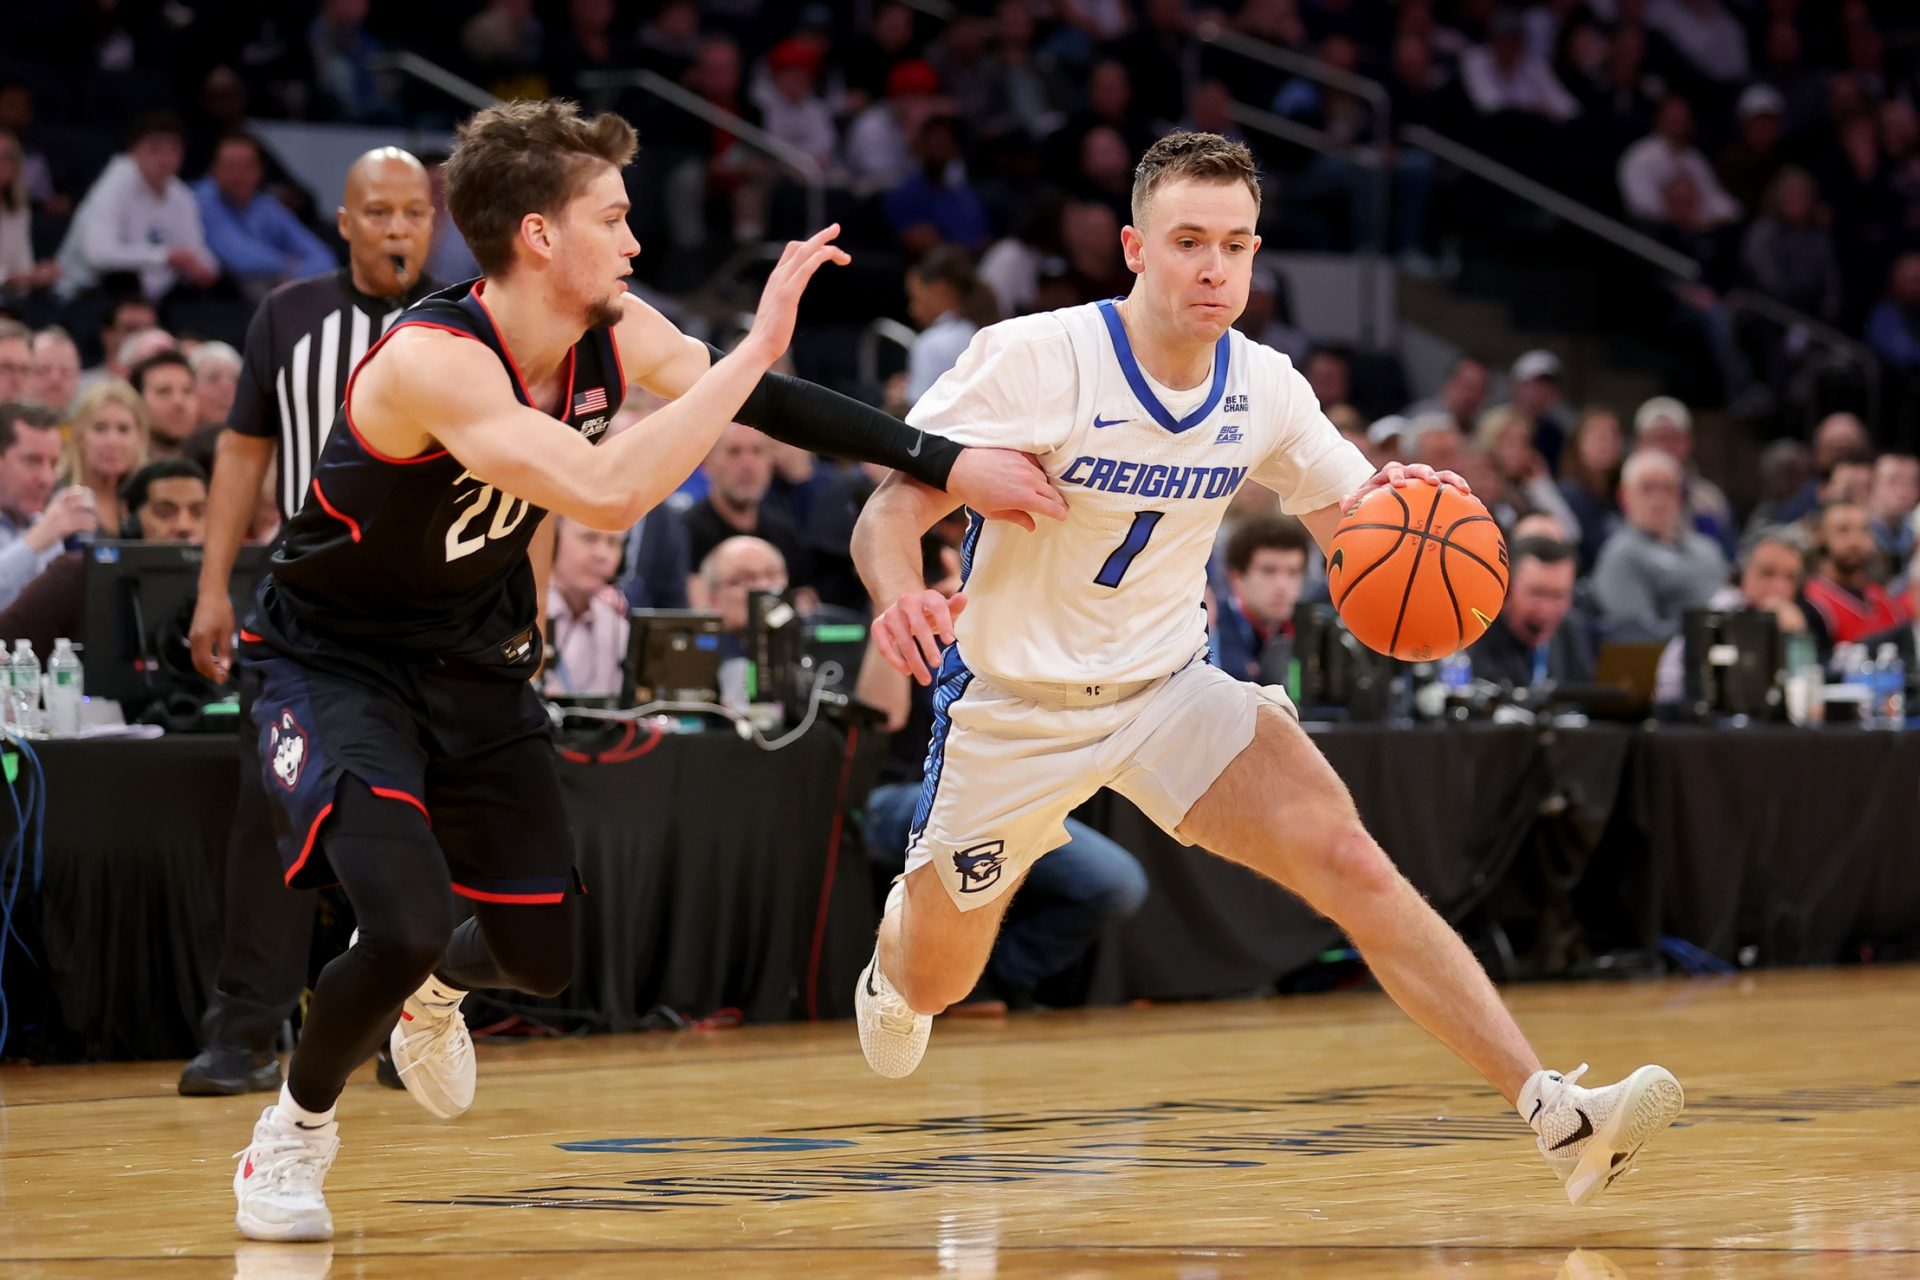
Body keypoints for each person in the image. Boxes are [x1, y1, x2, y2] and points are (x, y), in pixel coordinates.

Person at [223, 98, 1062, 1243]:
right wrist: (753, 348)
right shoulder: (429, 360)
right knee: (407, 913)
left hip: (473, 657)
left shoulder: (614, 327)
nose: (632, 241)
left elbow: (763, 400)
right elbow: (607, 491)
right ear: (536, 235)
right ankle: (292, 1132)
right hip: (334, 662)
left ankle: (438, 994)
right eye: (611, 218)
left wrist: (945, 458)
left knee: (540, 952)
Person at [847, 130, 1681, 1209]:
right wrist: (897, 592)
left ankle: (1559, 1115)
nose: (1214, 268)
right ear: (1134, 247)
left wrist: (1409, 521)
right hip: (1014, 705)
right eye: (1189, 241)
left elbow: (1361, 529)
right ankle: (895, 959)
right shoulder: (1037, 356)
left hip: (1166, 689)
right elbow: (890, 509)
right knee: (936, 984)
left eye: (1235, 245)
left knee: (1354, 859)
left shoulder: (1267, 387)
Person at [181, 147, 442, 1101]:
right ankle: (244, 1031)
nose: (397, 229)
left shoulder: (465, 322)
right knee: (270, 820)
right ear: (343, 220)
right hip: (303, 618)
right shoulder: (287, 316)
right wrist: (215, 582)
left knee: (414, 827)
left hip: (426, 619)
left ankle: (396, 1032)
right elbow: (243, 452)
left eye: (413, 212)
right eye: (377, 212)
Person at [856, 536, 1147, 1010]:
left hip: (997, 784)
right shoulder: (897, 610)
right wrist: (906, 616)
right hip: (898, 794)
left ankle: (992, 979)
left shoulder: (1016, 612)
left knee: (1116, 883)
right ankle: (930, 972)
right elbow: (880, 715)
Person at [0, 459, 207, 654]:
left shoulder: (221, 580)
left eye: (198, 512)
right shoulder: (78, 573)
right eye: (164, 513)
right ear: (129, 517)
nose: (184, 526)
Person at [1653, 528, 1809, 703]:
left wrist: (1797, 638)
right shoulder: (1718, 613)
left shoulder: (1798, 617)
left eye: (1790, 578)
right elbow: (1670, 681)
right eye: (1767, 573)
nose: (1779, 587)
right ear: (1743, 572)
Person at [1590, 449, 1729, 642]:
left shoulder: (1708, 550)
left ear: (1680, 496)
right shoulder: (1621, 555)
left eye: (1667, 489)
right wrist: (1705, 633)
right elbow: (1636, 637)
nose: (1659, 501)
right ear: (1624, 496)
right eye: (1647, 489)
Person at [0, 401, 94, 611]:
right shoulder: (46, 531)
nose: (46, 478)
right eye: (32, 461)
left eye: (53, 464)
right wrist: (35, 541)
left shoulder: (47, 527)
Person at [1469, 536, 1594, 690]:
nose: (1546, 609)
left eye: (1558, 596)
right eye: (1537, 593)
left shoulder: (1571, 631)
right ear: (1507, 589)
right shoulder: (1475, 636)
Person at [1211, 512, 1310, 681]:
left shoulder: (1311, 631)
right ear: (1236, 577)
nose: (1282, 586)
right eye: (1268, 571)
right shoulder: (1210, 632)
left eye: (1293, 572)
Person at [1802, 499, 1912, 646]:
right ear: (1821, 538)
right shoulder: (1812, 601)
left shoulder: (1880, 597)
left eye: (1863, 530)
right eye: (1843, 530)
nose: (1855, 540)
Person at [542, 515, 628, 697]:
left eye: (612, 543)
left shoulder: (617, 628)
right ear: (553, 540)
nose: (603, 555)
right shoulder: (523, 615)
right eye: (589, 538)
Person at [58, 379, 148, 536]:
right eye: (100, 428)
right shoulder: (57, 498)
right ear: (80, 436)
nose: (112, 441)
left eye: (123, 429)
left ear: (139, 438)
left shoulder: (150, 502)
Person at [130, 350, 197, 460]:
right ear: (137, 401)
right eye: (164, 391)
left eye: (187, 391)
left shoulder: (216, 467)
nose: (179, 402)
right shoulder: (121, 471)